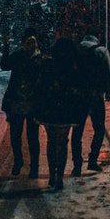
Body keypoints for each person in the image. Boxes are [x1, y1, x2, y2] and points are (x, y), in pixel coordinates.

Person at [33, 35, 86, 191]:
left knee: (51, 142)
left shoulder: (49, 65)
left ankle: (51, 174)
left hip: (50, 111)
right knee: (62, 144)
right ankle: (59, 176)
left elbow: (40, 87)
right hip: (66, 112)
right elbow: (79, 90)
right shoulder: (73, 68)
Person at [0, 26, 43, 178]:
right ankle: (20, 161)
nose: (30, 44)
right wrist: (6, 46)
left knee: (30, 136)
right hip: (20, 101)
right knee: (18, 135)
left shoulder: (38, 59)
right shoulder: (23, 56)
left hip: (29, 102)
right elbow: (4, 65)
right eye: (28, 41)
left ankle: (32, 166)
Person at [70, 27, 110, 175]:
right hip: (95, 95)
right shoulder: (101, 51)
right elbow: (108, 72)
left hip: (79, 96)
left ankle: (77, 164)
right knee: (99, 129)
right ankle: (93, 160)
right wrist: (108, 90)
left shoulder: (76, 50)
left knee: (77, 131)